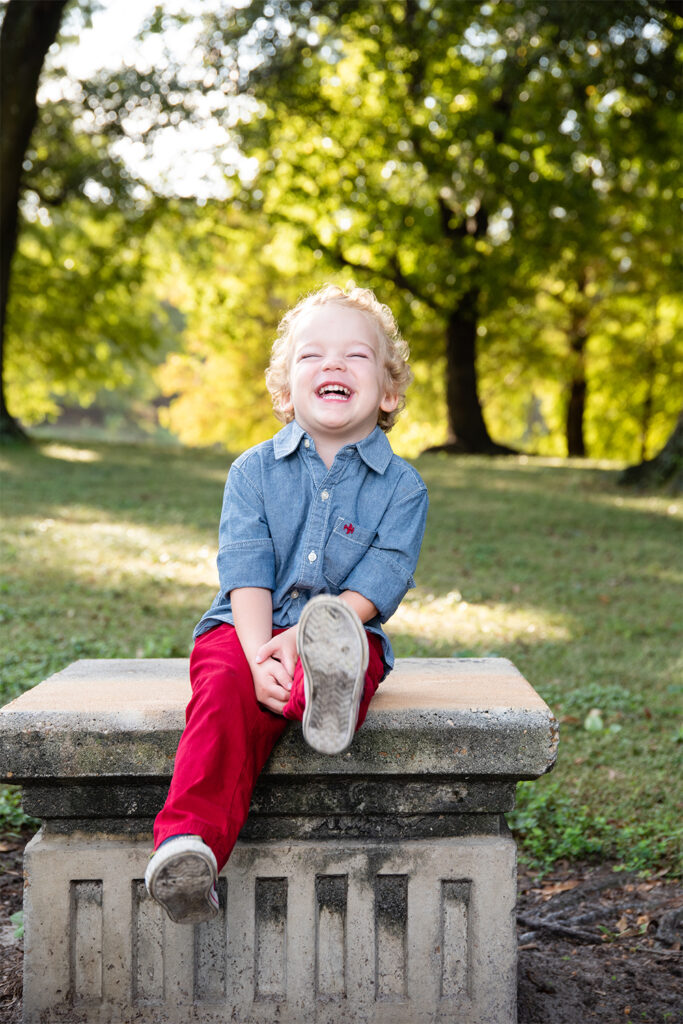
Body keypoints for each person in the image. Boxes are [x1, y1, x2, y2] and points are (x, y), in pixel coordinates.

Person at [145, 284, 429, 924]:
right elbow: (243, 567)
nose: (333, 366)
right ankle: (187, 848)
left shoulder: (403, 487)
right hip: (243, 629)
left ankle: (322, 696)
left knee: (349, 660)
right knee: (221, 692)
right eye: (313, 356)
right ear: (285, 391)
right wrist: (255, 655)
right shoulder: (252, 472)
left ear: (386, 392)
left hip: (339, 629)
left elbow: (384, 579)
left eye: (356, 356)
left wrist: (304, 637)